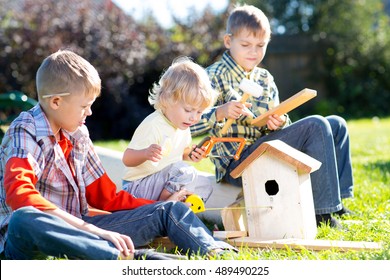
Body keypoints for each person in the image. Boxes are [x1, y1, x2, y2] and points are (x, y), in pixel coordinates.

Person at [0, 50, 236, 260]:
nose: (90, 112)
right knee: (24, 218)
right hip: (30, 238)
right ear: (56, 102)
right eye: (84, 106)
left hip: (84, 228)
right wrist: (93, 230)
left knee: (168, 210)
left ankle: (212, 249)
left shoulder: (78, 134)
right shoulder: (26, 129)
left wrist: (156, 204)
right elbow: (19, 195)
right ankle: (129, 259)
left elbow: (107, 198)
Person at [190, 4, 354, 228]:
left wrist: (279, 122)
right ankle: (321, 213)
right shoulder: (212, 77)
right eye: (246, 45)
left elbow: (279, 121)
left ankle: (339, 201)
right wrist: (219, 112)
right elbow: (187, 124)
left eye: (260, 45)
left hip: (264, 147)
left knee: (336, 124)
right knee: (316, 124)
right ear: (228, 41)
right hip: (237, 163)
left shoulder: (264, 78)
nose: (254, 52)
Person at [121, 57, 218, 203]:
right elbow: (127, 159)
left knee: (204, 185)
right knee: (184, 171)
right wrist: (145, 153)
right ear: (168, 99)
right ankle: (164, 209)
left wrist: (191, 155)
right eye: (188, 110)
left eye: (199, 112)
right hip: (137, 187)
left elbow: (179, 155)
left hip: (159, 185)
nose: (194, 118)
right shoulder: (154, 124)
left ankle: (179, 209)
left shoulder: (182, 125)